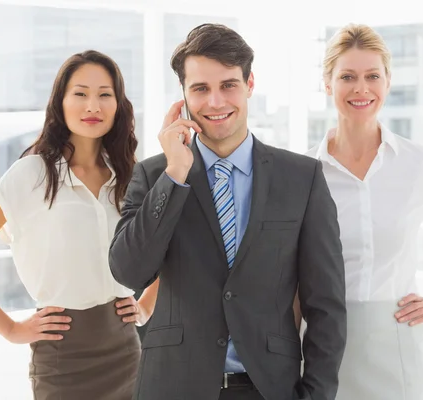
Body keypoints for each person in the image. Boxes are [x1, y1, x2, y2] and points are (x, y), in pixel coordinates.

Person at [109, 23, 346, 400]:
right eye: (201, 89)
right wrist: (175, 174)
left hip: (267, 388)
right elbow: (128, 270)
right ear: (184, 96)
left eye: (228, 85)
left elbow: (326, 305)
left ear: (250, 84)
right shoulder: (156, 174)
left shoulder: (302, 177)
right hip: (173, 388)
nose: (216, 102)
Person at [0, 50, 158, 400]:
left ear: (118, 105)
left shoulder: (129, 176)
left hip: (127, 349)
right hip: (62, 357)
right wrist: (10, 329)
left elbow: (165, 245)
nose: (92, 106)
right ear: (60, 101)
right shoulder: (32, 174)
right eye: (80, 93)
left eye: (104, 94)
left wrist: (145, 305)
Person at [304, 23, 423, 400]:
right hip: (321, 350)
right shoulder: (304, 172)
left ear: (388, 83)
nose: (361, 88)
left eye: (372, 76)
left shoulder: (419, 163)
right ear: (327, 84)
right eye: (347, 76)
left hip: (398, 349)